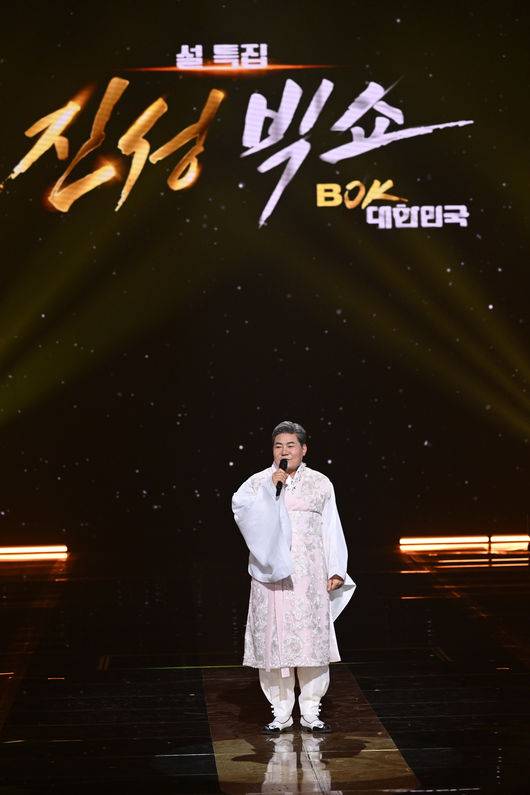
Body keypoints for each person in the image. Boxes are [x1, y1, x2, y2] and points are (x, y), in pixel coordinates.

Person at [232, 420, 356, 733]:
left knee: (310, 641)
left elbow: (331, 526)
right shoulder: (259, 482)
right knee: (275, 643)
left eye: (290, 445)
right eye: (278, 446)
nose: (284, 451)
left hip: (309, 576)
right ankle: (281, 711)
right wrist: (269, 491)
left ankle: (311, 711)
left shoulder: (320, 483)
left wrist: (336, 568)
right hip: (271, 576)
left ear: (303, 449)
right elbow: (241, 512)